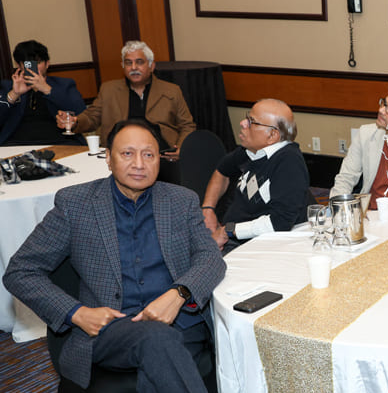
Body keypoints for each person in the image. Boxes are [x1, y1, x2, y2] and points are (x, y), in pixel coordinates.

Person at [3, 119, 279, 393]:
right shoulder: (76, 203)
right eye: (127, 153)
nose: (139, 163)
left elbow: (210, 259)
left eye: (148, 154)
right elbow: (20, 271)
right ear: (109, 158)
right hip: (109, 330)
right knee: (154, 341)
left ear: (159, 160)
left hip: (177, 328)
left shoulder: (180, 201)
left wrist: (178, 294)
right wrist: (76, 312)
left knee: (157, 370)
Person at [202, 98, 311, 250]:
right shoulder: (251, 151)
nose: (243, 123)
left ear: (272, 135)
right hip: (232, 236)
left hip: (259, 245)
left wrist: (228, 231)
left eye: (251, 122)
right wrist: (208, 209)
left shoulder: (289, 162)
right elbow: (222, 171)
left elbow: (280, 222)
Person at [57, 40, 195, 159]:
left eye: (139, 62)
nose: (133, 67)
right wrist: (74, 122)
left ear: (151, 66)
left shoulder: (171, 91)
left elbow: (187, 125)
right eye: (128, 63)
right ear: (123, 66)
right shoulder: (109, 90)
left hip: (160, 154)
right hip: (120, 154)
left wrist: (181, 148)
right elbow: (91, 117)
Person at [0, 40, 85, 145]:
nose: (33, 68)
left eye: (38, 62)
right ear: (19, 65)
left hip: (60, 142)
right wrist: (14, 94)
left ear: (47, 64)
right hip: (16, 143)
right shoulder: (8, 87)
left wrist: (47, 89)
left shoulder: (64, 85)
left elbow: (81, 113)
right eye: (28, 64)